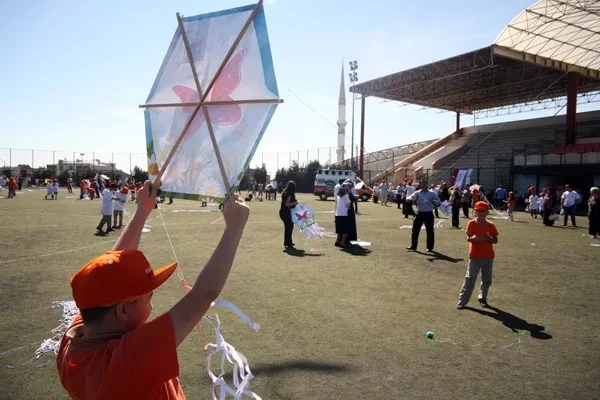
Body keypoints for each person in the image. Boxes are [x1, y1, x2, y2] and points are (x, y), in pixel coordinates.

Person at [57, 181, 249, 399]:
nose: (152, 305)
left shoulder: (76, 337)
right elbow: (202, 295)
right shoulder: (125, 360)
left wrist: (142, 211)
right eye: (148, 297)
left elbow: (112, 267)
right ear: (123, 311)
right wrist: (235, 228)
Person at [457, 201, 499, 308]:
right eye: (478, 211)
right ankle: (462, 301)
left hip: (488, 256)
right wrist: (474, 239)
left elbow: (495, 240)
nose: (480, 213)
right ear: (475, 212)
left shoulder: (491, 225)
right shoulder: (471, 223)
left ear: (487, 213)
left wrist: (487, 239)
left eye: (483, 211)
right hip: (475, 255)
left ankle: (482, 297)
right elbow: (468, 238)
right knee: (470, 278)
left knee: (487, 279)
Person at [406, 183, 440, 252]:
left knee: (430, 231)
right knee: (415, 230)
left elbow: (438, 201)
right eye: (423, 184)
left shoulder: (432, 193)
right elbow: (409, 197)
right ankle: (413, 246)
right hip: (419, 213)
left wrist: (434, 202)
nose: (424, 186)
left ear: (427, 185)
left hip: (429, 214)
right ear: (421, 185)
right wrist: (409, 199)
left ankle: (429, 247)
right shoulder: (417, 192)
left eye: (425, 184)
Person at [279, 181, 298, 248]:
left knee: (288, 227)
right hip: (287, 213)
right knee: (289, 227)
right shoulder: (289, 194)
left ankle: (288, 242)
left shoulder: (284, 192)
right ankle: (288, 242)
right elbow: (287, 204)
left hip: (283, 212)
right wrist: (295, 203)